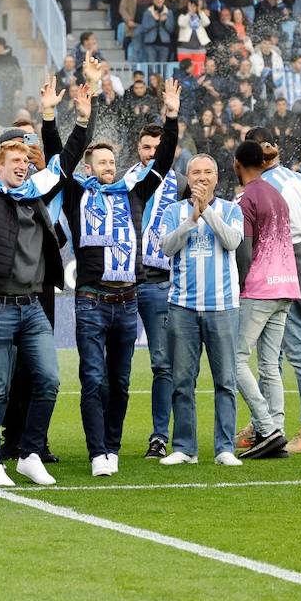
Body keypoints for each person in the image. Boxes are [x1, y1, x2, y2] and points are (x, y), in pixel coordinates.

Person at [0, 71, 92, 487]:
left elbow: (64, 162)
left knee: (48, 380)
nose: (22, 166)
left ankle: (30, 453)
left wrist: (82, 120)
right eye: (13, 161)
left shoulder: (37, 192)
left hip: (32, 307)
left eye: (26, 161)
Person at [59, 76, 180, 478]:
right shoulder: (77, 194)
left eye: (112, 161)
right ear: (89, 168)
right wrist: (83, 117)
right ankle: (97, 453)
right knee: (93, 379)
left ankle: (112, 446)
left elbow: (162, 162)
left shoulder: (134, 192)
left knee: (122, 382)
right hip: (91, 300)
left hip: (127, 301)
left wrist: (172, 118)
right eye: (101, 163)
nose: (109, 167)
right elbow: (61, 160)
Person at [242, 126, 301, 454]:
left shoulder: (259, 186)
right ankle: (264, 425)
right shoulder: (296, 178)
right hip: (298, 257)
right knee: (275, 352)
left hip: (278, 261)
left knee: (294, 350)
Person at [156, 154, 244, 467]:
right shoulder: (173, 211)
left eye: (208, 172)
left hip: (222, 308)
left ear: (217, 178)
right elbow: (166, 247)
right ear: (188, 178)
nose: (202, 178)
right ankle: (184, 448)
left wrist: (206, 211)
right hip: (182, 308)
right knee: (182, 381)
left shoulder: (232, 209)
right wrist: (192, 219)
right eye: (196, 173)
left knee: (225, 381)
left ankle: (224, 448)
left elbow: (232, 241)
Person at [232, 139, 300, 460]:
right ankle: (277, 431)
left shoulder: (247, 197)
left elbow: (245, 248)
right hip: (286, 285)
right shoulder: (277, 195)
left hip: (259, 287)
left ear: (237, 164)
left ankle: (266, 425)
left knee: (235, 359)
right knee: (270, 364)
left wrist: (242, 282)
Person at [131, 123, 181, 460]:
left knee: (162, 364)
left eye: (156, 149)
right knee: (108, 367)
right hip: (120, 282)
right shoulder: (126, 181)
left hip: (159, 283)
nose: (151, 153)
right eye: (146, 147)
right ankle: (104, 442)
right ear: (138, 148)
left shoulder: (181, 184)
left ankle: (160, 436)